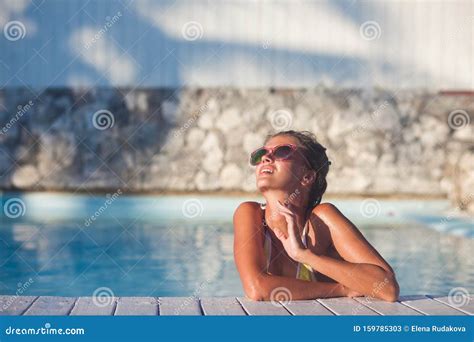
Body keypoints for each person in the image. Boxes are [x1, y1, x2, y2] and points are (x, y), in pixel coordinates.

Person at [233, 130, 399, 302]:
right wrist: (340, 289)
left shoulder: (321, 221)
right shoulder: (249, 214)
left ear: (307, 177)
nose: (266, 159)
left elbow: (389, 288)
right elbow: (256, 289)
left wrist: (305, 255)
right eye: (261, 154)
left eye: (282, 151)